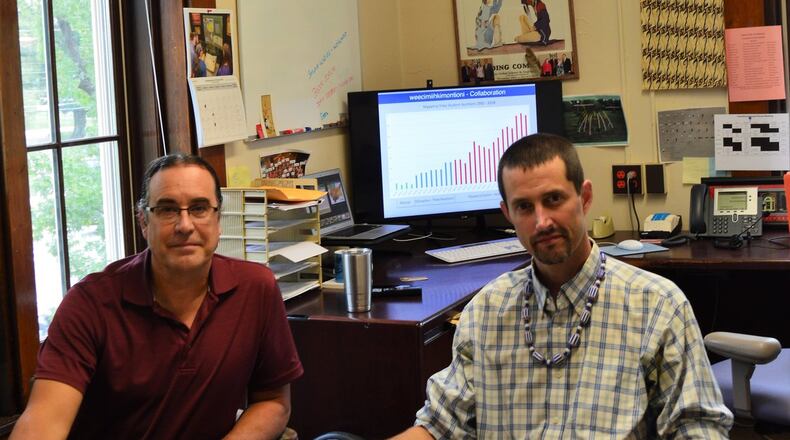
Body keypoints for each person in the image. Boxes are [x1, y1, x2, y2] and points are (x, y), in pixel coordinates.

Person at [393, 133, 733, 438]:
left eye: (554, 199)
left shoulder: (657, 305)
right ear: (507, 214)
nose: (542, 221)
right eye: (524, 207)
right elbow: (440, 425)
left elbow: (698, 426)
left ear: (584, 197)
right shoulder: (486, 312)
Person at [11, 154, 303, 439]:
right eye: (167, 210)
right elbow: (42, 423)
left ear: (218, 220)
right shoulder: (90, 303)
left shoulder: (255, 288)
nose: (185, 225)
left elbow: (273, 401)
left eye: (199, 208)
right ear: (143, 222)